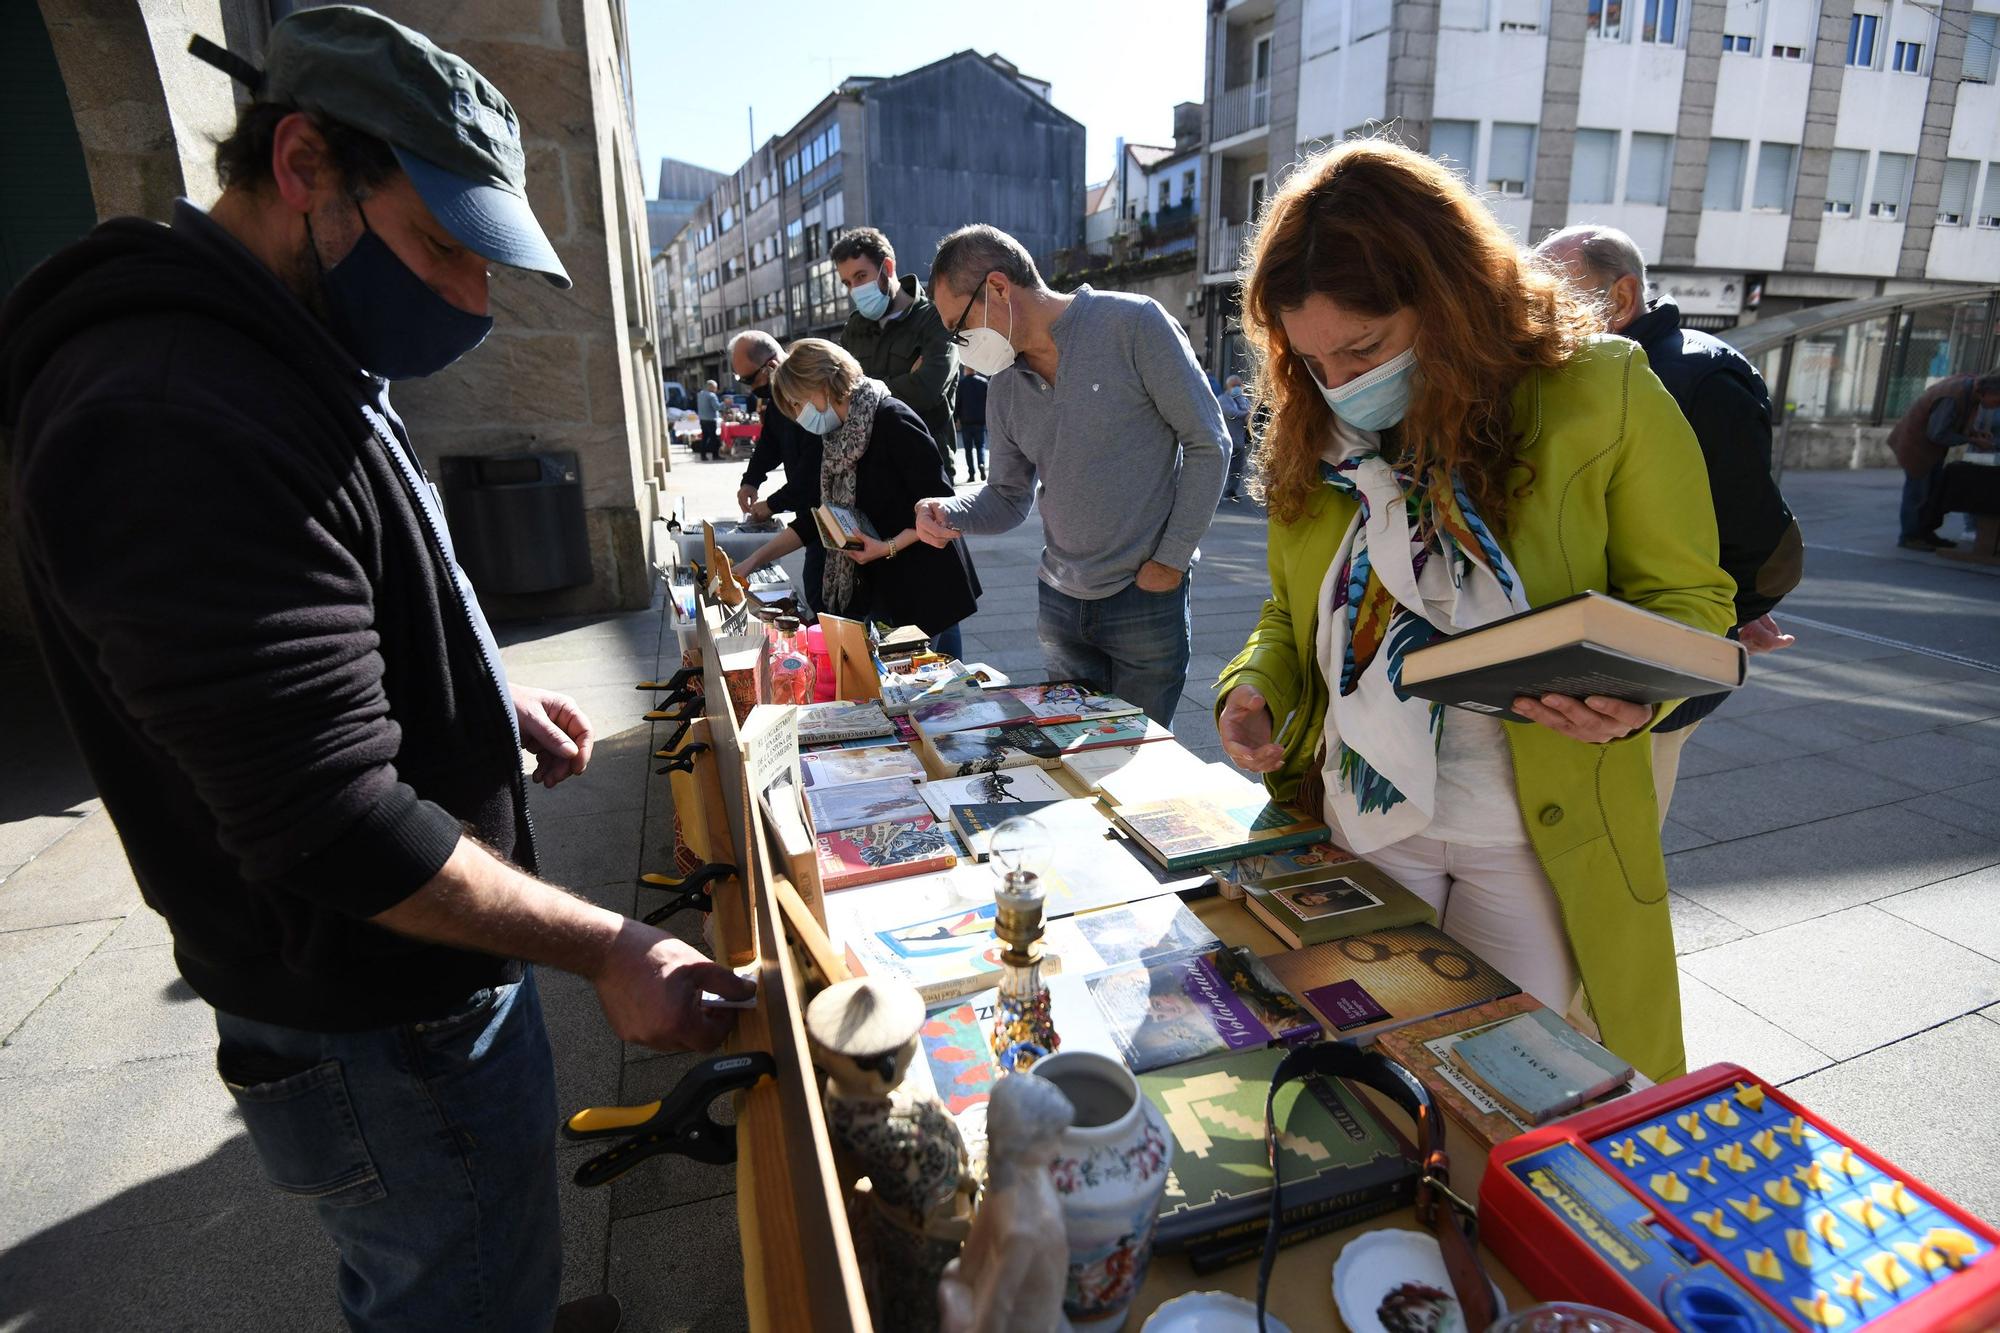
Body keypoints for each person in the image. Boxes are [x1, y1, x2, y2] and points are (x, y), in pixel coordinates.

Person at [0, 10, 750, 1330]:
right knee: (445, 1280)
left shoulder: (292, 340)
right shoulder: (171, 409)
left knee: (483, 1250)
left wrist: (471, 682)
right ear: (303, 164)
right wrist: (614, 948)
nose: (469, 301)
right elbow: (330, 819)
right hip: (373, 1010)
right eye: (441, 248)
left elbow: (325, 603)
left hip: (414, 985)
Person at [1212, 142, 1735, 1085]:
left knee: (1511, 1092)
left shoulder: (1598, 392)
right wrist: (1253, 683)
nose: (1340, 381)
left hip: (1530, 832)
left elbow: (1692, 604)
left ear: (1449, 294)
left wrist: (1637, 696)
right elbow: (1292, 615)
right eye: (1314, 358)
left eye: (1365, 348)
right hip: (1364, 818)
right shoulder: (1315, 425)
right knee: (1376, 1080)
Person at [914, 225, 1229, 726]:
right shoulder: (1004, 384)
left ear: (998, 287)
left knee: (1141, 765)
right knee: (1074, 770)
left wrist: (1169, 562)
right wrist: (948, 512)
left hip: (1144, 596)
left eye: (960, 327)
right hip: (1060, 602)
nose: (959, 345)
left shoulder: (1133, 325)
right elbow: (1008, 496)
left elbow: (1209, 443)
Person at [1538, 225, 1804, 817]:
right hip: (1597, 652)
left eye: (1556, 298)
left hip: (1647, 664)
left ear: (1623, 298)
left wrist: (1735, 610)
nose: (1540, 317)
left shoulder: (1692, 377)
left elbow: (1746, 525)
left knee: (1618, 836)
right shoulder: (1596, 373)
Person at [735, 339, 979, 657]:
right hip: (882, 587)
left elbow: (944, 510)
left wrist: (887, 547)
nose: (798, 415)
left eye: (798, 403)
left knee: (930, 693)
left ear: (824, 383)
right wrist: (753, 561)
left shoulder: (892, 420)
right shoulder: (835, 436)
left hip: (924, 586)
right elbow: (819, 517)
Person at [833, 226, 960, 472]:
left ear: (888, 268)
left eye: (861, 276)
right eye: (847, 282)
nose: (855, 289)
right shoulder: (854, 328)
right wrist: (903, 381)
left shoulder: (936, 318)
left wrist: (859, 392)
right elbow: (836, 393)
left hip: (926, 464)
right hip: (869, 467)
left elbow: (926, 390)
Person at [731, 330, 826, 612]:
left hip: (829, 513)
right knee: (816, 588)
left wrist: (773, 505)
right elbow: (770, 442)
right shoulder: (777, 399)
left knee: (822, 591)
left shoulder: (810, 399)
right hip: (812, 517)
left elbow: (813, 472)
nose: (749, 389)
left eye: (749, 379)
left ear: (771, 365)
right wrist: (751, 480)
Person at [1889, 369, 2000, 549]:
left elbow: (1952, 423)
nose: (1996, 406)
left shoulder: (1971, 389)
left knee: (1932, 493)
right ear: (1984, 393)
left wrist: (1974, 433)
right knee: (1918, 494)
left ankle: (1924, 533)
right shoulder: (1953, 396)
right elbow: (1938, 433)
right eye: (1997, 401)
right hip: (1916, 446)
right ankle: (1910, 537)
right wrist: (1972, 440)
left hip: (1932, 449)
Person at [1219, 373, 1253, 502]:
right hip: (1227, 439)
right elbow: (1231, 413)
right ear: (1228, 386)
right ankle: (1219, 492)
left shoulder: (1243, 400)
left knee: (1237, 468)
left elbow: (1249, 413)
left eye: (1239, 385)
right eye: (1234, 385)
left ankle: (1231, 490)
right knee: (1225, 467)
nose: (1237, 388)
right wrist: (1247, 414)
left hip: (1239, 440)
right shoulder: (1223, 399)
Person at [955, 365, 989, 481]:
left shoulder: (962, 384)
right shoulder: (983, 382)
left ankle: (971, 474)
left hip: (966, 421)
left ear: (965, 370)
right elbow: (989, 402)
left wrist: (956, 419)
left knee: (968, 449)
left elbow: (957, 402)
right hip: (980, 420)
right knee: (981, 446)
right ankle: (981, 463)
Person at [695, 377, 723, 461]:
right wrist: (725, 403)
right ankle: (715, 455)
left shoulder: (700, 394)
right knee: (713, 438)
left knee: (704, 438)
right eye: (715, 387)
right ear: (710, 387)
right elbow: (717, 407)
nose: (716, 389)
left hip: (703, 419)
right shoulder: (712, 395)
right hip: (711, 420)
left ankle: (703, 456)